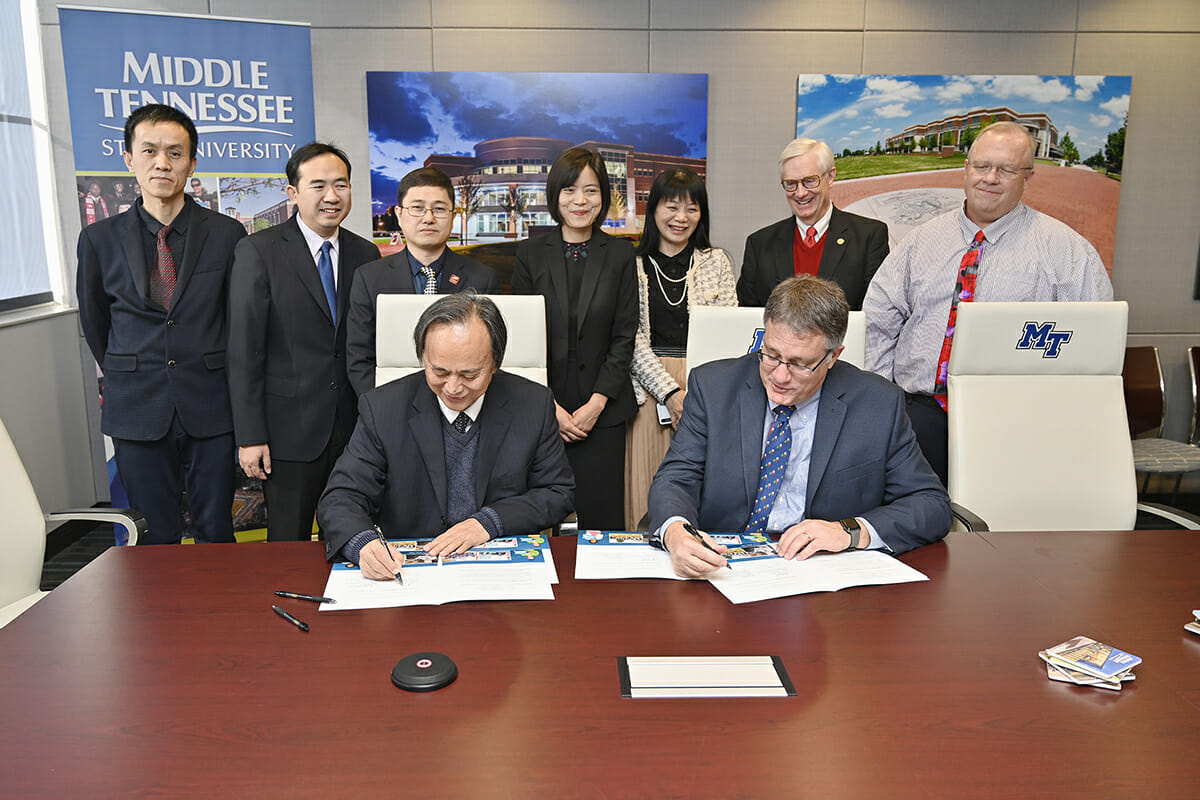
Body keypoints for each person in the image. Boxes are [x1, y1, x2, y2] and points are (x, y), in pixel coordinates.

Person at [647, 275, 950, 578]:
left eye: (800, 363)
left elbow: (931, 505)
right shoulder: (713, 388)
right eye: (771, 355)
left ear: (833, 356)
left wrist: (848, 531)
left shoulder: (878, 404)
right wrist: (676, 531)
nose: (779, 376)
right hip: (724, 566)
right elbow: (676, 478)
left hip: (821, 572)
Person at [863, 121, 1114, 484]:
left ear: (1028, 176)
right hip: (919, 418)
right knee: (916, 526)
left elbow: (1095, 348)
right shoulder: (920, 242)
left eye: (1007, 169)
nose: (990, 178)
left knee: (998, 533)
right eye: (982, 166)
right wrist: (886, 404)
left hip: (1016, 425)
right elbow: (878, 323)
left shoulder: (1067, 252)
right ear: (966, 168)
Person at [76, 104, 247, 544]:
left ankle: (221, 613)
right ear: (129, 158)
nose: (162, 163)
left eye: (175, 152)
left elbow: (238, 319)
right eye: (149, 150)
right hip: (136, 404)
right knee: (154, 534)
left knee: (216, 530)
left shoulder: (228, 235)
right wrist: (129, 367)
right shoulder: (99, 238)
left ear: (193, 162)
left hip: (210, 403)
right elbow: (96, 321)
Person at [318, 293, 574, 579]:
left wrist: (489, 523)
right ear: (423, 357)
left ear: (495, 362)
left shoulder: (533, 404)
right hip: (409, 572)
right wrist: (362, 544)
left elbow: (557, 492)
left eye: (469, 374)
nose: (453, 387)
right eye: (439, 371)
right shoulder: (382, 408)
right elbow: (342, 495)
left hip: (498, 569)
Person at [227, 142, 381, 542]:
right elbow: (244, 351)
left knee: (355, 535)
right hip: (288, 432)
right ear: (293, 193)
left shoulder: (366, 253)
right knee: (287, 543)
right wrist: (250, 436)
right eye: (318, 186)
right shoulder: (257, 250)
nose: (332, 196)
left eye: (341, 185)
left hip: (355, 429)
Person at [512, 147, 638, 531]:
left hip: (603, 412)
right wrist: (548, 404)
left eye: (591, 190)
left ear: (603, 196)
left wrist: (596, 403)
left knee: (603, 523)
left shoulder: (619, 254)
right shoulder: (531, 254)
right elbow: (520, 337)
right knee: (534, 520)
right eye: (569, 190)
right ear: (555, 195)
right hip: (540, 410)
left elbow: (624, 335)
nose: (580, 201)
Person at [625, 168, 737, 530]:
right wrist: (670, 393)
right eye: (671, 206)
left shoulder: (716, 261)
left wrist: (697, 392)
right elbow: (630, 337)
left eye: (692, 208)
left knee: (700, 487)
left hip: (705, 386)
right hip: (647, 389)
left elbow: (727, 330)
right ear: (653, 209)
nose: (681, 218)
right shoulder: (633, 264)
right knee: (644, 488)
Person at [346, 166, 498, 396]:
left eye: (439, 209)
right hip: (391, 406)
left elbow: (492, 358)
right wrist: (384, 409)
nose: (428, 218)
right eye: (417, 208)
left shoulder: (482, 278)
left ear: (453, 215)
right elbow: (359, 359)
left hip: (462, 400)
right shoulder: (369, 278)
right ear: (399, 213)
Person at [737, 137, 889, 311]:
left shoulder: (869, 237)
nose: (800, 193)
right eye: (791, 184)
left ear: (830, 177)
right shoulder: (760, 245)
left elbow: (876, 316)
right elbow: (747, 319)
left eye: (809, 181)